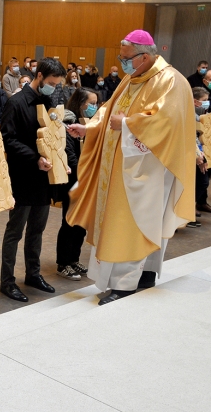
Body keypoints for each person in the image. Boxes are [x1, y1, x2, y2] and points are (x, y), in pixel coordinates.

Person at [66, 30, 195, 305]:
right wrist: (89, 127)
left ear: (144, 57)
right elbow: (109, 111)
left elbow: (167, 123)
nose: (122, 63)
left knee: (137, 221)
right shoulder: (132, 77)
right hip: (121, 165)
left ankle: (125, 284)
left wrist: (126, 125)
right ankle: (144, 273)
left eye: (125, 58)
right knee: (128, 220)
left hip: (149, 169)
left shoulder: (171, 80)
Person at [0, 57, 66, 303]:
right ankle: (7, 281)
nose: (53, 87)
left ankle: (33, 274)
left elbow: (54, 136)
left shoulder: (48, 101)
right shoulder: (16, 102)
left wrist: (61, 161)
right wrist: (34, 158)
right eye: (50, 82)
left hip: (44, 178)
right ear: (39, 76)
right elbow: (8, 139)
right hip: (23, 175)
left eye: (57, 84)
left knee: (37, 229)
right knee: (15, 231)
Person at [55, 87, 99, 281]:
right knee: (70, 222)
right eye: (92, 103)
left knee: (82, 223)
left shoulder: (89, 123)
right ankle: (63, 263)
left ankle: (74, 259)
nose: (95, 107)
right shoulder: (68, 122)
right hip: (73, 180)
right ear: (81, 104)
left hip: (87, 179)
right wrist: (83, 173)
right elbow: (71, 157)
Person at [192, 86, 211, 216]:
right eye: (204, 100)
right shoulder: (189, 114)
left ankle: (199, 203)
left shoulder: (198, 114)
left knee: (204, 179)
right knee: (202, 180)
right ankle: (189, 207)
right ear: (195, 101)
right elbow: (192, 136)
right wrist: (198, 154)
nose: (206, 102)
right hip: (194, 153)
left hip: (201, 151)